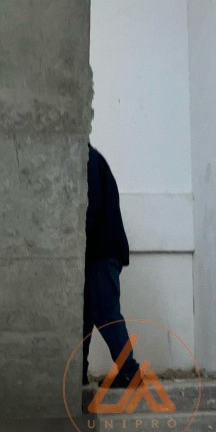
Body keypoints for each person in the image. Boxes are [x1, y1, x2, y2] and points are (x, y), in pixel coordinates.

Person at [83, 144, 141, 387]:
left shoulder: (88, 161)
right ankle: (78, 371)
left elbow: (90, 209)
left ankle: (129, 371)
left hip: (101, 251)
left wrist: (77, 243)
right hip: (100, 251)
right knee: (86, 314)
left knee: (105, 312)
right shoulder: (92, 160)